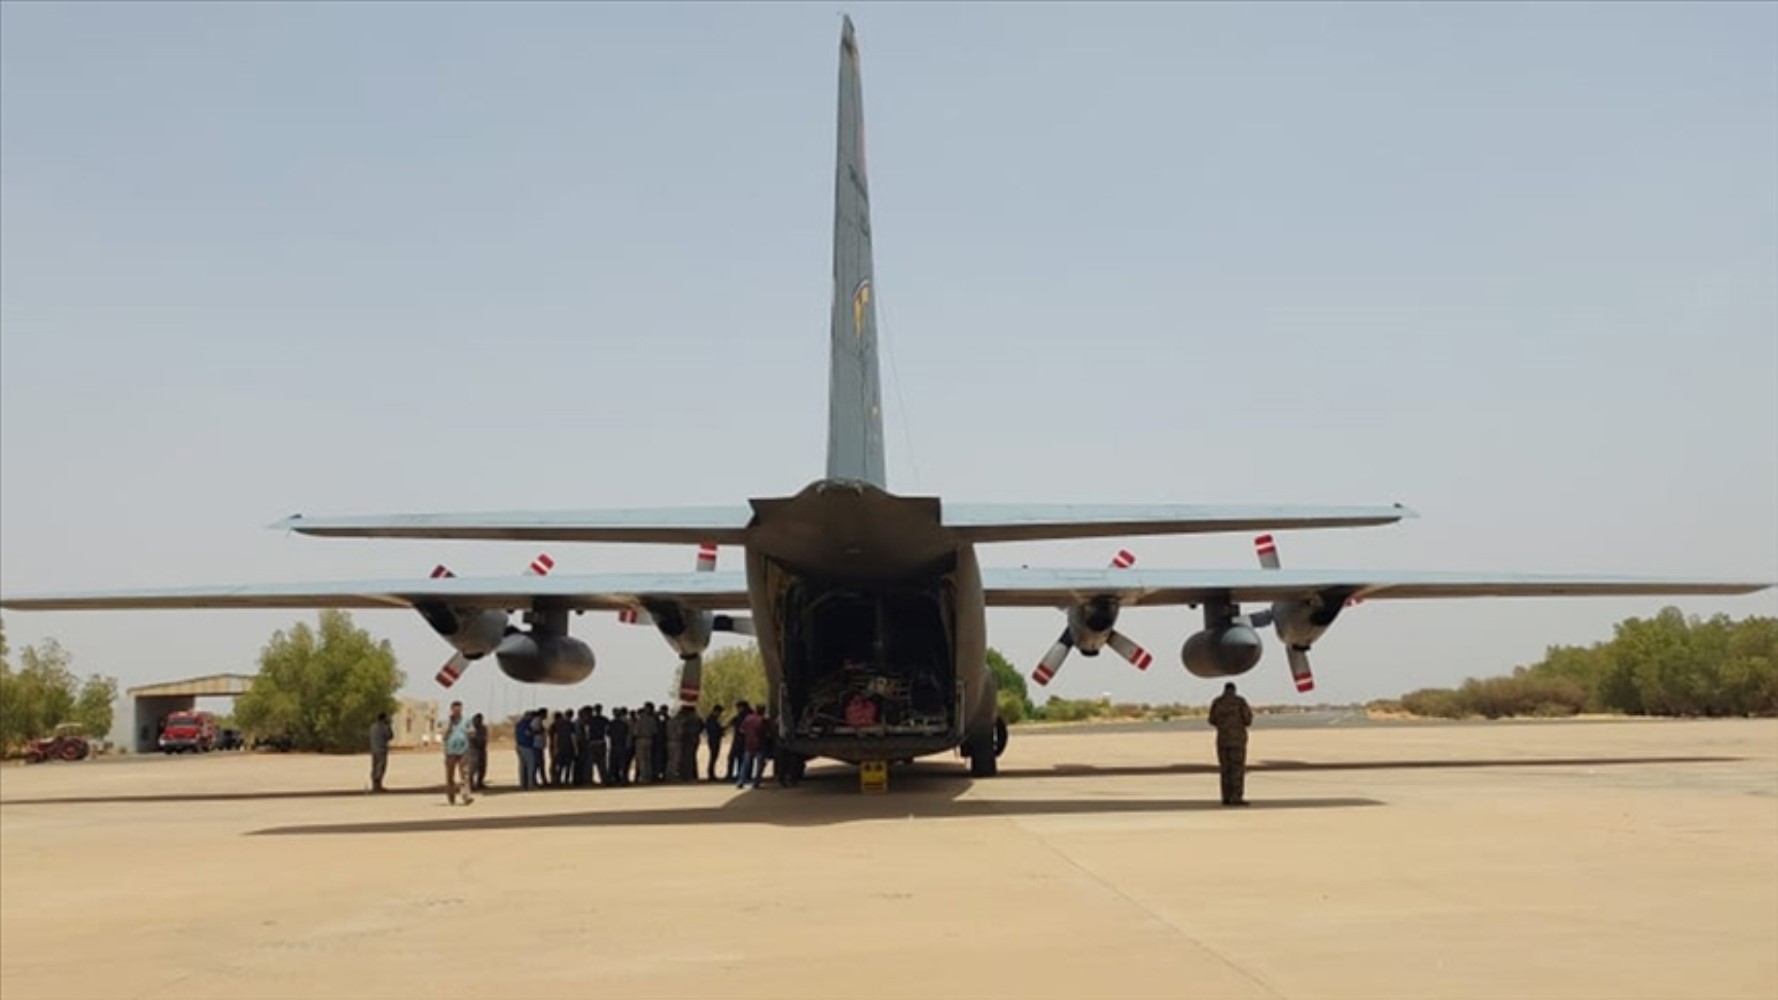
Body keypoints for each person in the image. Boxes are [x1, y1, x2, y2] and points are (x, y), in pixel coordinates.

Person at [1207, 682, 1253, 806]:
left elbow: (1211, 719)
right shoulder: (1240, 701)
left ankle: (1226, 797)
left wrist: (1223, 726)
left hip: (1222, 740)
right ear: (1234, 690)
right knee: (1237, 769)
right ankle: (1236, 797)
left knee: (1225, 769)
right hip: (1237, 740)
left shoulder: (1217, 702)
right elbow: (1248, 720)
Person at [442, 700, 474, 806]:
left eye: (459, 709)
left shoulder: (466, 720)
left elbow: (472, 731)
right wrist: (450, 725)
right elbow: (444, 735)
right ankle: (451, 797)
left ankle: (466, 796)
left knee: (465, 774)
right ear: (451, 710)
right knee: (450, 775)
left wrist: (470, 732)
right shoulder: (447, 721)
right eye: (455, 709)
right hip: (450, 751)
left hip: (463, 750)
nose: (457, 711)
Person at [737, 705, 767, 790]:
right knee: (759, 765)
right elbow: (768, 732)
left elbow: (741, 730)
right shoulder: (763, 720)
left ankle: (740, 781)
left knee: (745, 764)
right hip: (759, 745)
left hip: (748, 745)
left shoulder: (748, 719)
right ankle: (756, 783)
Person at [632, 702, 659, 785]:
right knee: (648, 759)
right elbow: (655, 731)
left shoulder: (640, 720)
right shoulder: (652, 719)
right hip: (649, 740)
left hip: (640, 740)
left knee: (642, 759)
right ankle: (648, 776)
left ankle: (644, 777)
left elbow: (635, 732)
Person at [368, 712, 394, 793]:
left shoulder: (373, 726)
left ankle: (374, 785)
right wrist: (389, 726)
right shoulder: (384, 727)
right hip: (381, 750)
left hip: (374, 750)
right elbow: (390, 736)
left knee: (374, 767)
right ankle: (377, 786)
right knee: (380, 768)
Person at [586, 705, 609, 786]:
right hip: (601, 741)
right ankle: (604, 780)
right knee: (602, 762)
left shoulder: (590, 720)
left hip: (592, 742)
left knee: (590, 763)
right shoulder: (604, 720)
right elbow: (607, 731)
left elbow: (587, 731)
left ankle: (589, 780)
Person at [608, 708, 631, 786]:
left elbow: (608, 734)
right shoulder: (623, 724)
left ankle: (612, 779)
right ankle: (623, 779)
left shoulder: (611, 724)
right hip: (622, 745)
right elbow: (627, 734)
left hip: (614, 745)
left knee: (613, 764)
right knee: (622, 764)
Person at [727, 700, 750, 781]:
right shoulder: (742, 716)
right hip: (741, 740)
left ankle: (737, 775)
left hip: (741, 740)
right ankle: (740, 775)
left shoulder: (745, 717)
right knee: (738, 758)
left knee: (735, 757)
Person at [514, 709, 537, 791]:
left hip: (519, 746)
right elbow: (528, 734)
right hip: (526, 746)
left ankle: (523, 784)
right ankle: (530, 784)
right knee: (530, 765)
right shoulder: (526, 725)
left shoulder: (518, 724)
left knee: (522, 766)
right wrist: (535, 732)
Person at [665, 705, 688, 783]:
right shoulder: (678, 723)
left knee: (670, 760)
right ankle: (672, 775)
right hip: (676, 742)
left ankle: (668, 774)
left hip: (669, 742)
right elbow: (680, 732)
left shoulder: (669, 722)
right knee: (676, 760)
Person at [703, 705, 726, 781]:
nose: (720, 714)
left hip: (715, 740)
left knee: (714, 757)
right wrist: (721, 731)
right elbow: (713, 730)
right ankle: (711, 774)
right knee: (713, 756)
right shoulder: (711, 719)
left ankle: (712, 773)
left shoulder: (713, 719)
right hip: (713, 740)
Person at [467, 713, 488, 792]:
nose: (479, 721)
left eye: (480, 720)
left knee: (482, 768)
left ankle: (480, 782)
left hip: (482, 749)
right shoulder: (470, 728)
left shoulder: (483, 728)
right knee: (472, 768)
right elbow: (471, 739)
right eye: (477, 719)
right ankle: (470, 784)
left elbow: (484, 738)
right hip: (472, 750)